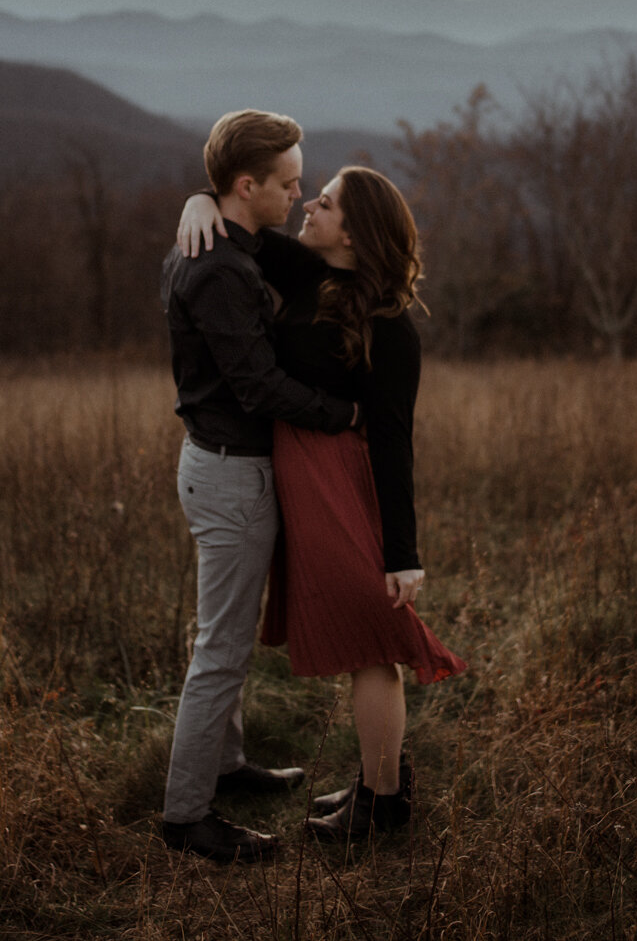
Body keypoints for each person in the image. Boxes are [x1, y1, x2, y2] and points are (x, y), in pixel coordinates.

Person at [178, 164, 465, 843]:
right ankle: (377, 781)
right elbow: (238, 216)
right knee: (365, 638)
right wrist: (196, 201)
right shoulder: (308, 274)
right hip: (303, 480)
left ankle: (382, 803)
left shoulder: (391, 327)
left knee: (374, 637)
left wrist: (403, 553)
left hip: (341, 485)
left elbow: (395, 443)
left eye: (327, 202)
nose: (308, 204)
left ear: (356, 234)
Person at [158, 109, 364, 865]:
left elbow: (282, 251)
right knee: (221, 648)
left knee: (224, 635)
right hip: (230, 472)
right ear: (248, 186)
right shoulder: (216, 265)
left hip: (221, 465)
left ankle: (224, 764)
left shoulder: (222, 238)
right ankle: (187, 818)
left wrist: (199, 197)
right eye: (288, 183)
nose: (298, 194)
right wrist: (339, 413)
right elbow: (255, 383)